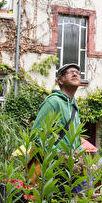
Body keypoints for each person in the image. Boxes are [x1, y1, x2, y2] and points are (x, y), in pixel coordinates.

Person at [30, 63, 86, 191]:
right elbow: (36, 136)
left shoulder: (74, 106)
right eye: (70, 72)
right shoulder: (53, 102)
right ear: (59, 81)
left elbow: (75, 139)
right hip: (54, 168)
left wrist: (80, 157)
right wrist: (61, 156)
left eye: (78, 72)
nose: (75, 73)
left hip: (72, 169)